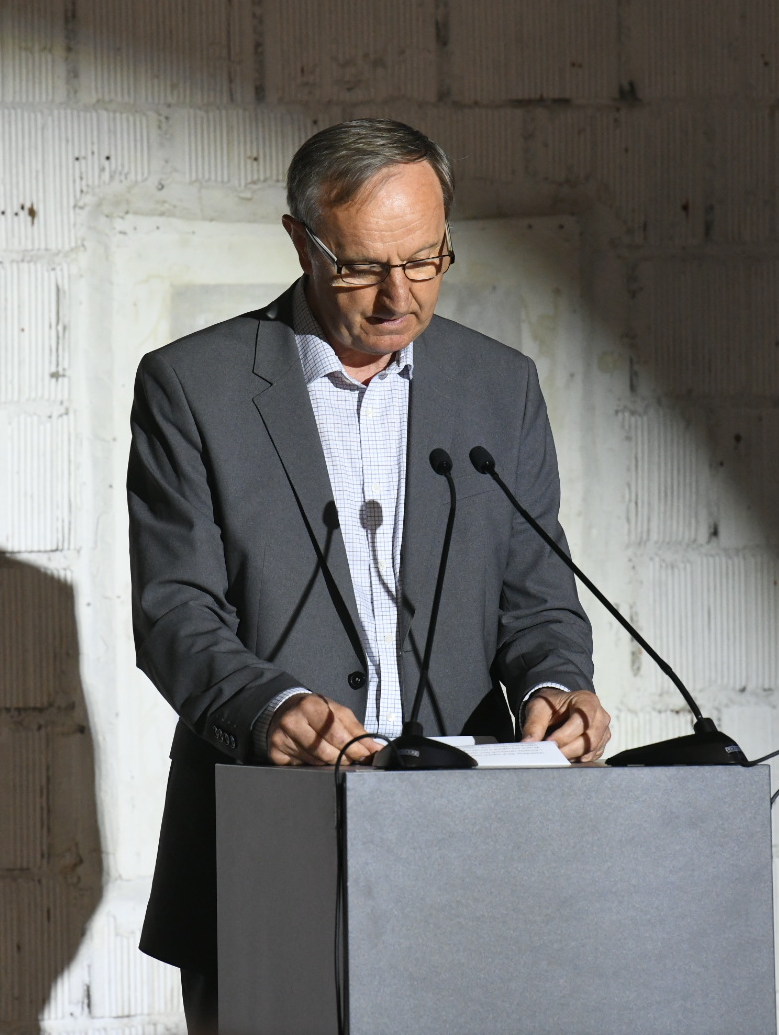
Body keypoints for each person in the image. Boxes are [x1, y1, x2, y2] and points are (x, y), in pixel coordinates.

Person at [127, 118, 612, 1033]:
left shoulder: (497, 386)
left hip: (465, 837)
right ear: (300, 243)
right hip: (267, 838)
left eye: (427, 260)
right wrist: (268, 709)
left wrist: (558, 683)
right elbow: (174, 612)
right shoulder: (194, 385)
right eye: (362, 266)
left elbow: (538, 597)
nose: (400, 295)